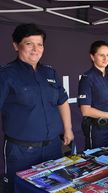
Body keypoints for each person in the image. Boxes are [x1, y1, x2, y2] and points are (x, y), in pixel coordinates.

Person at [0, 23, 74, 193]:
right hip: (21, 152)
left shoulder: (50, 72)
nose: (35, 49)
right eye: (29, 43)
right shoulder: (6, 75)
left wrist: (68, 129)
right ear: (16, 46)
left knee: (55, 189)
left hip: (53, 149)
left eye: (39, 44)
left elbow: (62, 101)